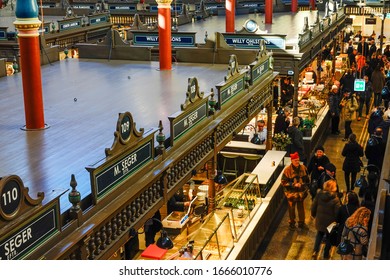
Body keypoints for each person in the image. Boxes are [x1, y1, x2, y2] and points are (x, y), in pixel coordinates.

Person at [311, 180, 341, 260]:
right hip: (330, 223)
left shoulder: (319, 195)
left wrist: (313, 214)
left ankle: (315, 251)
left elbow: (314, 205)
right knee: (329, 237)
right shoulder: (336, 199)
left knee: (319, 235)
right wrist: (337, 221)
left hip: (320, 220)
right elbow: (337, 212)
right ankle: (326, 254)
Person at [281, 152, 310, 230]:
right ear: (292, 161)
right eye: (295, 160)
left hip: (301, 193)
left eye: (298, 160)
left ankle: (301, 223)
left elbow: (307, 180)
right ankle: (292, 223)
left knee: (301, 209)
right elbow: (283, 182)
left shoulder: (303, 168)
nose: (297, 162)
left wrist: (302, 184)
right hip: (291, 194)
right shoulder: (287, 170)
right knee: (291, 209)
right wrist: (293, 185)